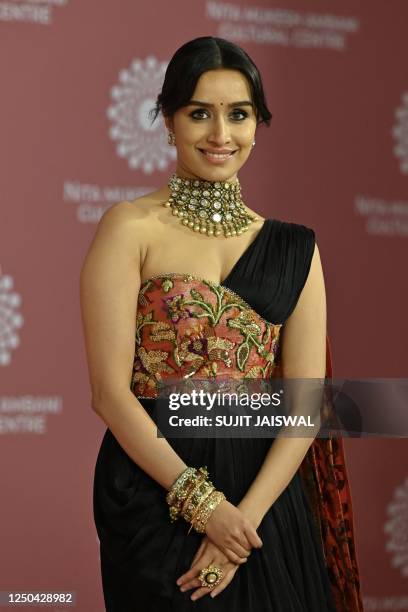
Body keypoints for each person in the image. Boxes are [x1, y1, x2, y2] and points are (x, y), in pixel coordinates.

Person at [80, 36, 363, 611]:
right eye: (199, 113)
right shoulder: (130, 228)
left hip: (265, 504)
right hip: (155, 493)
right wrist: (204, 507)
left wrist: (240, 528)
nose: (220, 134)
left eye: (238, 114)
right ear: (167, 119)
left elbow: (306, 406)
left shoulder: (294, 250)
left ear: (258, 123)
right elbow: (111, 395)